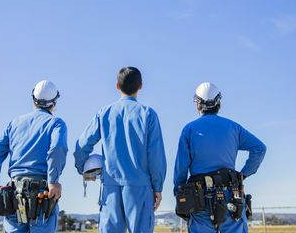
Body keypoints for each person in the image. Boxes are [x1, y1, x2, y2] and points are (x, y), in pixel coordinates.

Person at [74, 67, 167, 233]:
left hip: (110, 187)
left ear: (117, 85)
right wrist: (157, 187)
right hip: (140, 187)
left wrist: (84, 169)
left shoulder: (104, 113)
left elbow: (82, 145)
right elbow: (156, 156)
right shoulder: (148, 115)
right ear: (141, 86)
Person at [174, 82, 266, 233]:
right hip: (232, 194)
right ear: (219, 103)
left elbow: (181, 169)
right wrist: (243, 175)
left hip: (199, 198)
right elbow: (259, 149)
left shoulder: (189, 130)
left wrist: (179, 192)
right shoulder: (233, 127)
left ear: (197, 104)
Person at [0, 80, 68, 233]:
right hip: (42, 195)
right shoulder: (56, 123)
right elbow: (57, 148)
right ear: (54, 102)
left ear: (33, 99)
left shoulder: (15, 123)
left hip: (13, 196)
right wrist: (53, 181)